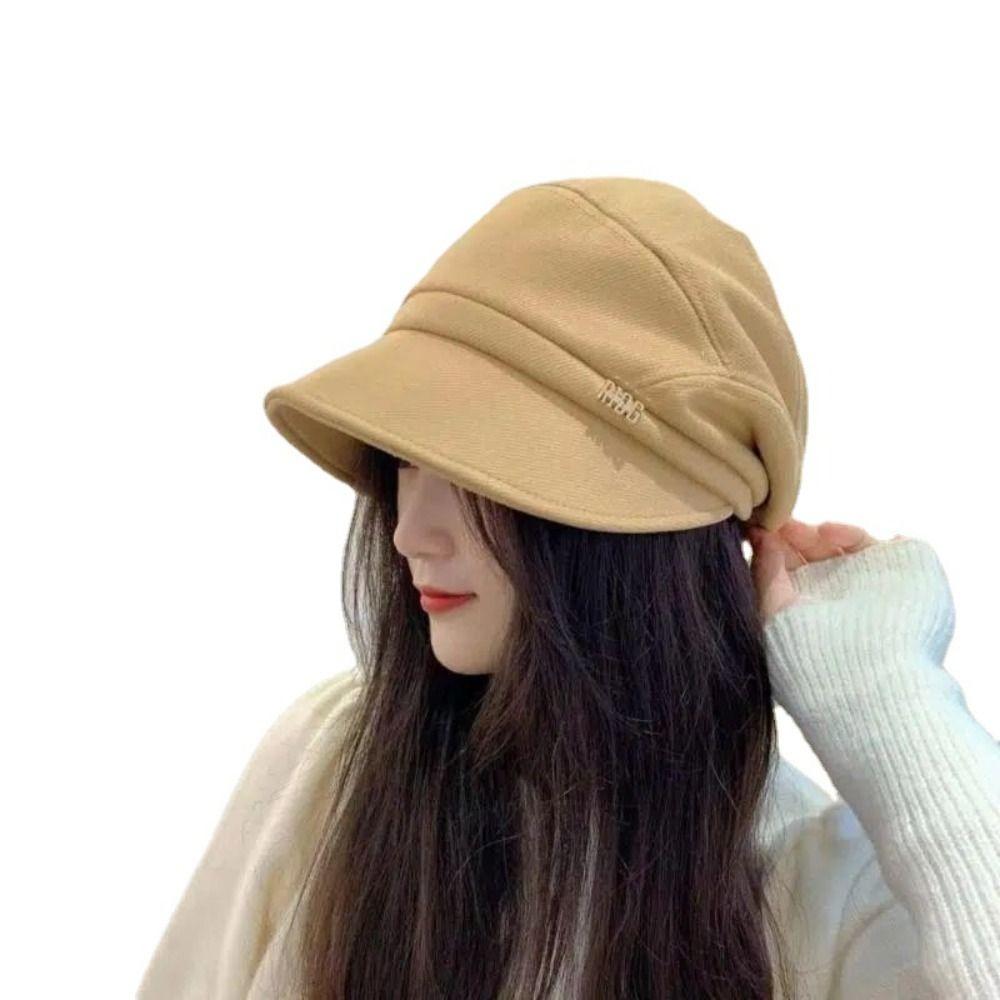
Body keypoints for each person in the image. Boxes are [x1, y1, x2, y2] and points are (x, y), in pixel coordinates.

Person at [137, 177, 1000, 999]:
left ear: (637, 540)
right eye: (404, 461)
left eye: (480, 478)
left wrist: (886, 696)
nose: (407, 534)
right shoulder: (334, 763)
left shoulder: (817, 894)